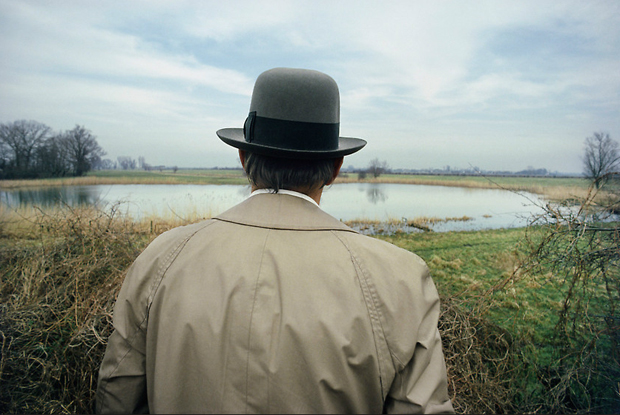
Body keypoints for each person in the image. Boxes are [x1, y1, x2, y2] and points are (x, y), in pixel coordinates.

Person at [96, 67, 454, 414]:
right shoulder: (399, 278)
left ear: (243, 157)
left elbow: (118, 392)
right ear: (335, 169)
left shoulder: (162, 258)